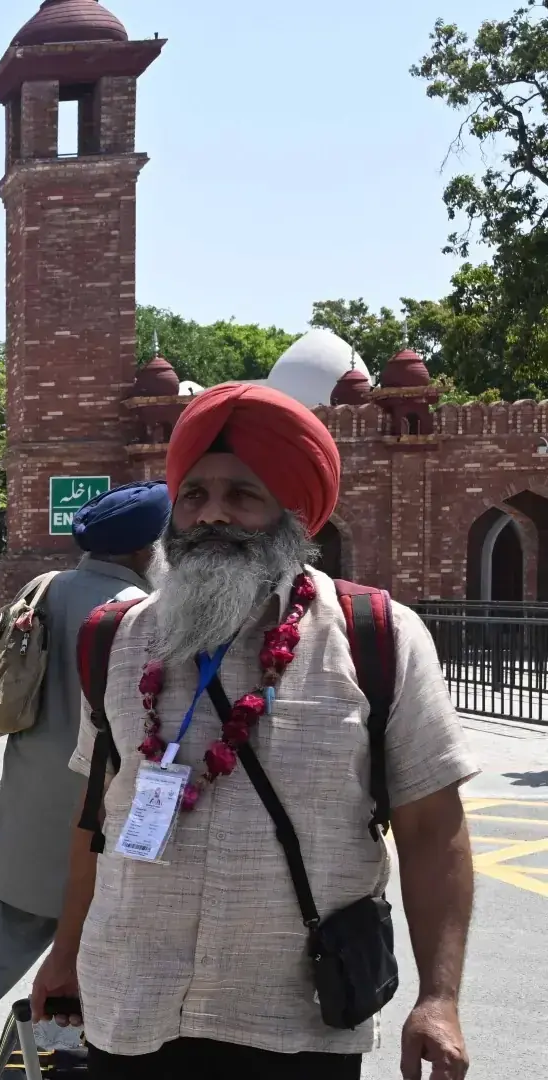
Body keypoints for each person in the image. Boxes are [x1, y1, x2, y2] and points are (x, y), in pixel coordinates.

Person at [31, 384, 475, 1080]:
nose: (213, 515)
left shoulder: (375, 637)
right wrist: (65, 952)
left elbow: (432, 829)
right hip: (130, 1004)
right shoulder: (116, 641)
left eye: (242, 494)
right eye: (196, 495)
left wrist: (439, 999)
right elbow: (98, 821)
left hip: (291, 1021)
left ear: (293, 515)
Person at [0, 481, 168, 1080]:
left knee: (5, 919)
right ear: (147, 548)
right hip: (102, 796)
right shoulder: (144, 611)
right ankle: (74, 1053)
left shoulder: (47, 588)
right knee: (96, 932)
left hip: (32, 785)